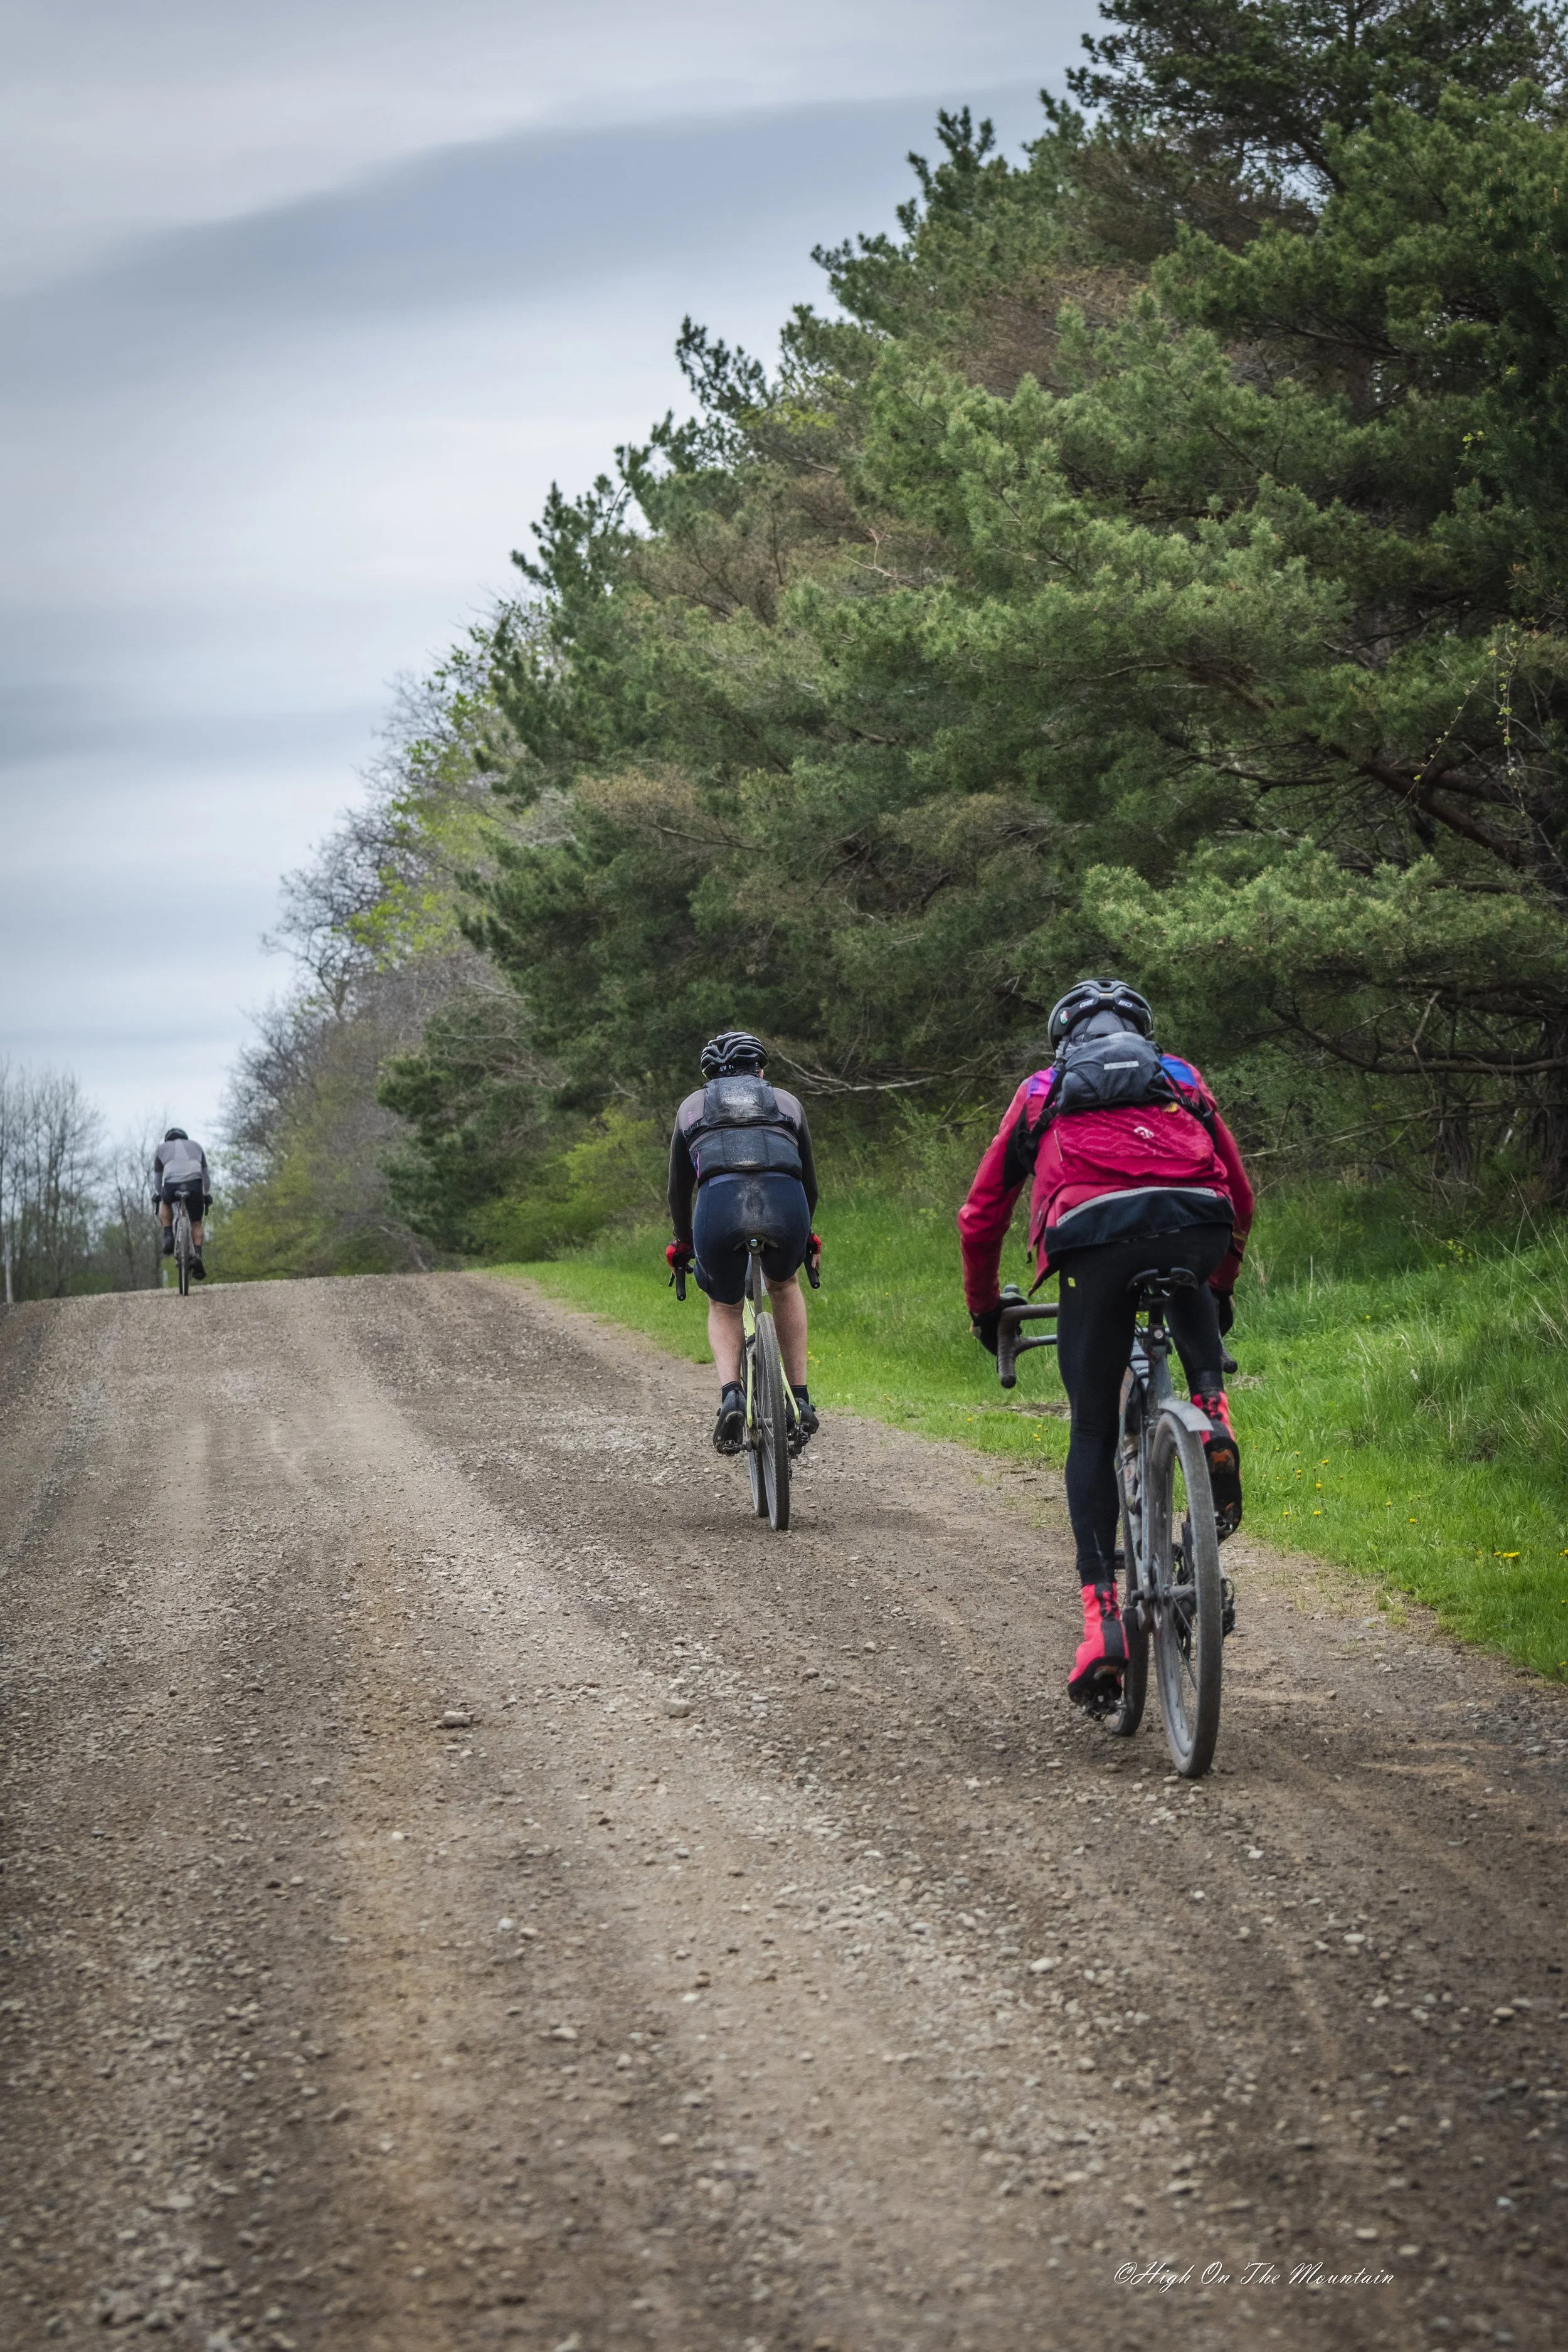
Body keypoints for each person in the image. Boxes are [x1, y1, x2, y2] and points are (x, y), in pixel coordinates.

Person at [958, 980, 1254, 1708]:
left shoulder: (1041, 1089)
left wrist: (984, 1305)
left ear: (1065, 1039)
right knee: (1190, 1263)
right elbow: (1239, 1191)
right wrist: (1221, 1277)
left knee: (1092, 1426)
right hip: (1197, 1222)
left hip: (1092, 1239)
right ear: (1138, 1031)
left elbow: (982, 1213)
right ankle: (1212, 1412)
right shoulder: (1178, 1074)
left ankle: (1101, 1626)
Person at [667, 1031, 822, 1453]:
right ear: (761, 1070)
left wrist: (683, 1242)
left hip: (719, 1205)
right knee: (785, 1284)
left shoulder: (690, 1108)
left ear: (709, 1075)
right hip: (785, 1203)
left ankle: (731, 1394)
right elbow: (809, 1183)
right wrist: (805, 1236)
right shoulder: (787, 1103)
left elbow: (679, 1191)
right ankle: (802, 1399)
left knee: (725, 1302)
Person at [152, 1127, 212, 1280]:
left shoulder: (161, 1149)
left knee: (165, 1202)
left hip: (172, 1185)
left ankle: (168, 1236)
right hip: (195, 1184)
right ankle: (197, 1254)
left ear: (168, 1140)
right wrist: (205, 1195)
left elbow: (158, 1181)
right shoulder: (197, 1146)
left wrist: (161, 1196)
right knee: (197, 1223)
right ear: (186, 1139)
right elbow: (206, 1177)